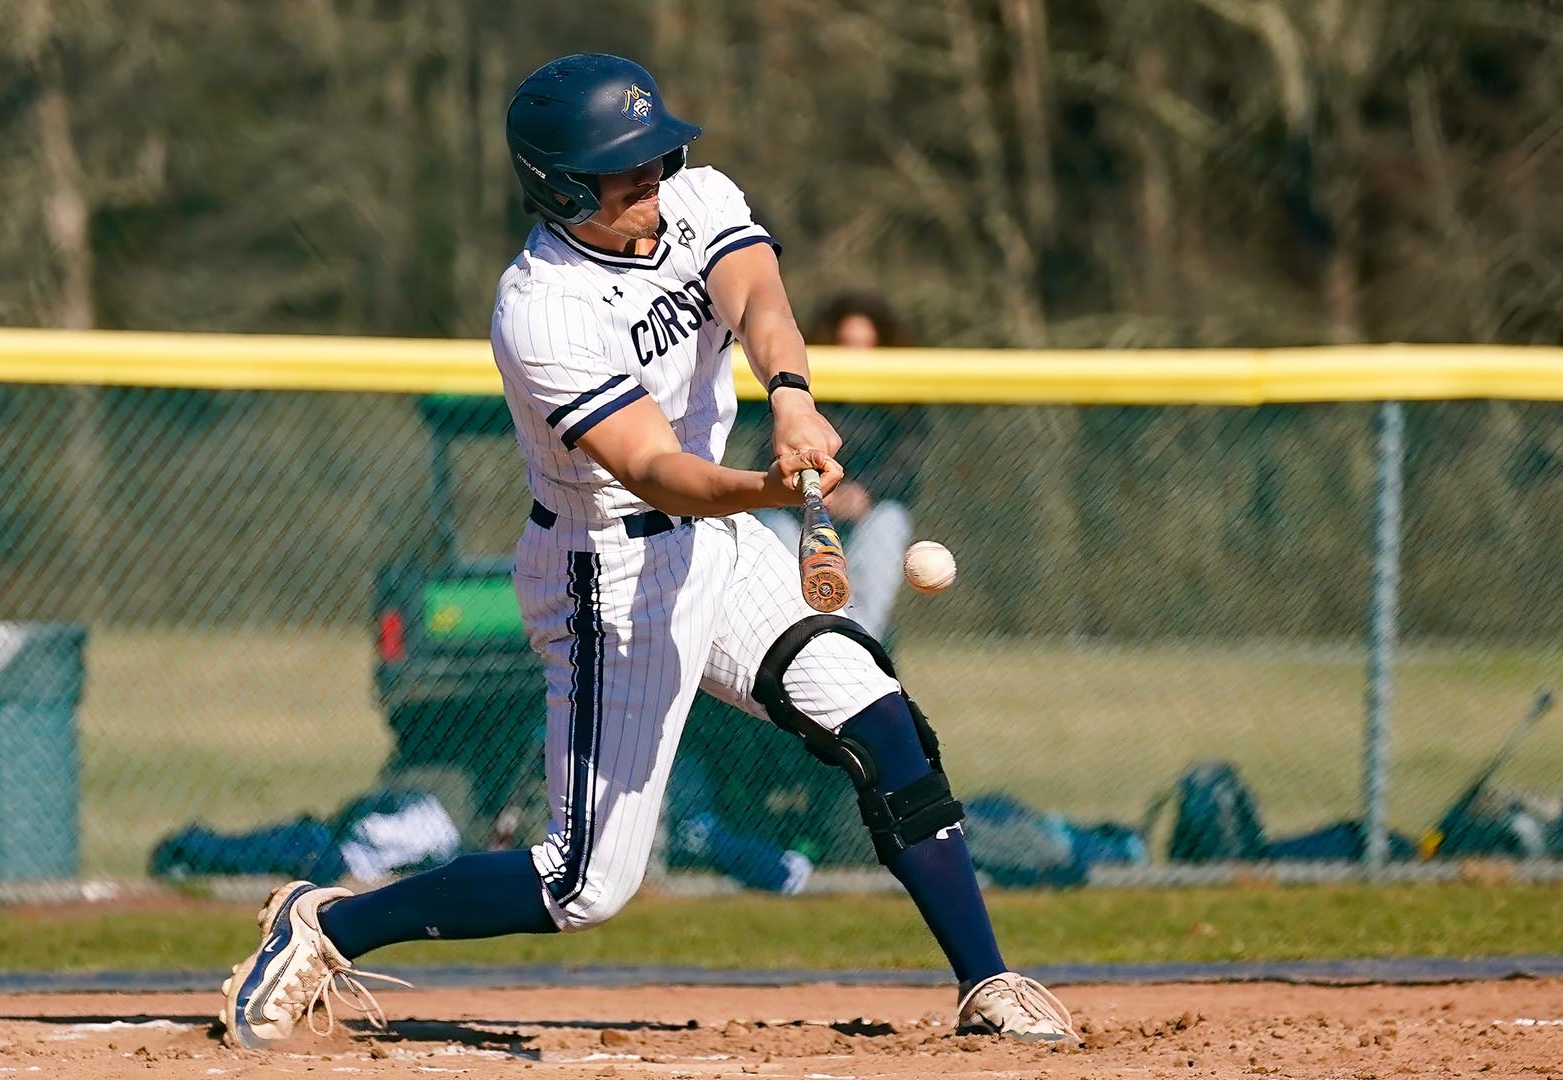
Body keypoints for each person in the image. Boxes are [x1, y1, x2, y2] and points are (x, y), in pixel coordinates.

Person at [219, 53, 1079, 1048]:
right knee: (583, 882)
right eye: (626, 172)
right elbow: (659, 471)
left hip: (719, 546)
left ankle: (988, 982)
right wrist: (779, 484)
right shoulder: (542, 309)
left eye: (656, 157)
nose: (655, 182)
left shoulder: (697, 197)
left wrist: (792, 399)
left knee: (882, 723)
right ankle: (326, 924)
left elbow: (759, 296)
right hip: (607, 580)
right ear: (561, 187)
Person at [754, 293, 923, 642]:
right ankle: (799, 639)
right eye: (845, 344)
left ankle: (857, 647)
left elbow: (906, 470)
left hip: (867, 514)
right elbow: (767, 458)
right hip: (801, 508)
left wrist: (865, 493)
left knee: (889, 523)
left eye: (864, 345)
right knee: (772, 527)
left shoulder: (901, 403)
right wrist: (814, 492)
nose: (855, 354)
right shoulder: (798, 397)